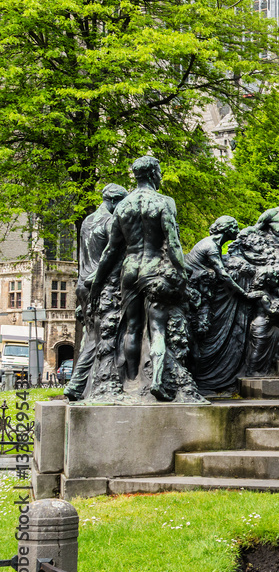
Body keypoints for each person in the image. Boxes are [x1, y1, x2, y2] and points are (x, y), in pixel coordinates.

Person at [87, 156, 201, 402]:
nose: (161, 176)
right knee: (157, 328)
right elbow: (173, 243)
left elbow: (111, 250)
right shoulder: (164, 202)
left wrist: (97, 283)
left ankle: (131, 381)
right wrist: (182, 275)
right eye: (159, 171)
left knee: (133, 328)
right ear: (152, 173)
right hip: (154, 269)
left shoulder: (122, 206)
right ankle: (157, 381)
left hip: (129, 270)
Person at [63, 183, 127, 401]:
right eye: (121, 203)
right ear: (113, 201)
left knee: (93, 335)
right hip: (99, 285)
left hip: (82, 285)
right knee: (98, 337)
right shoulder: (110, 222)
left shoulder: (87, 221)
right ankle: (78, 383)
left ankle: (83, 383)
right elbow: (113, 255)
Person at [186, 216, 254, 393]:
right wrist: (244, 293)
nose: (237, 231)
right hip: (196, 296)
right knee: (199, 334)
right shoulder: (210, 246)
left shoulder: (213, 244)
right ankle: (194, 383)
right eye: (235, 227)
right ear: (227, 229)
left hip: (201, 292)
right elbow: (223, 274)